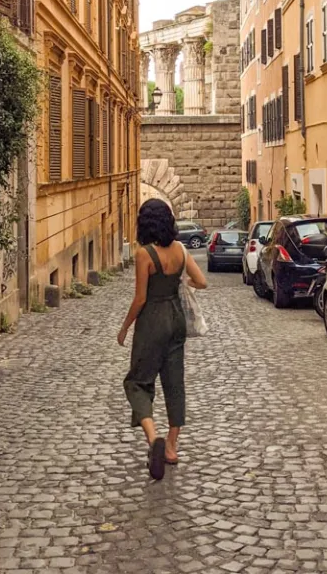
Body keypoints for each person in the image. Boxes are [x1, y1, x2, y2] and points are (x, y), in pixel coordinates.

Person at [117, 199, 207, 480]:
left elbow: (140, 298)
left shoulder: (145, 254)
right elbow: (201, 281)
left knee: (137, 381)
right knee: (174, 383)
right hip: (176, 319)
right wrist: (183, 284)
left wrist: (124, 327)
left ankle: (153, 437)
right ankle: (170, 447)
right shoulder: (180, 250)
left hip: (152, 320)